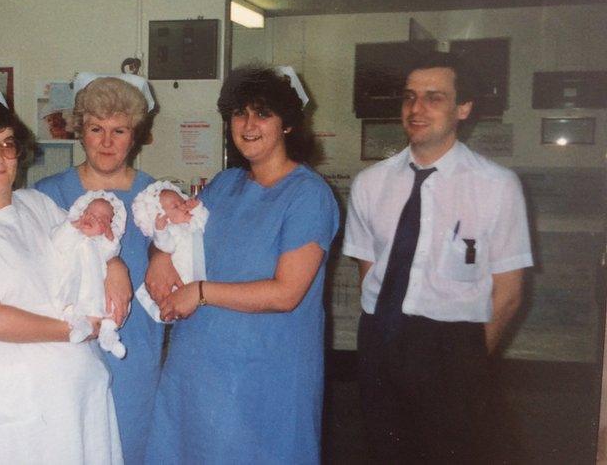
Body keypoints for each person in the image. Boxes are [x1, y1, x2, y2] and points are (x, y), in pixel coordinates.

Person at [144, 65, 340, 464]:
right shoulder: (224, 185)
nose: (249, 125)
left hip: (263, 374)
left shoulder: (308, 196)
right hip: (198, 370)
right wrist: (159, 257)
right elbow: (176, 231)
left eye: (263, 113)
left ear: (287, 124)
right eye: (239, 113)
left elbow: (286, 293)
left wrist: (199, 293)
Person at [344, 51, 533, 463]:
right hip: (382, 338)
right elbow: (369, 272)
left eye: (434, 97)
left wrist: (468, 359)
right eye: (410, 97)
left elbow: (510, 291)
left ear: (463, 108)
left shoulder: (496, 186)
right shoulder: (370, 184)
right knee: (384, 452)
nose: (416, 108)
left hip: (454, 347)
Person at [0, 84, 123, 464]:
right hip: (21, 409)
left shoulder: (36, 203)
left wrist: (116, 267)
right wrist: (74, 330)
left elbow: (87, 245)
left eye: (6, 145)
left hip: (77, 396)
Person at [34, 73, 160, 464]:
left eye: (119, 130)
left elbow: (176, 261)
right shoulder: (47, 194)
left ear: (134, 134)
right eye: (96, 129)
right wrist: (112, 259)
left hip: (134, 355)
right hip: (68, 351)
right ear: (80, 132)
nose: (107, 142)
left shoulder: (154, 194)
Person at [51, 190, 128, 358]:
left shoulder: (101, 244)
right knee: (71, 301)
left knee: (112, 306)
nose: (92, 218)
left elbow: (111, 252)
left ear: (108, 227)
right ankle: (80, 325)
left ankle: (109, 335)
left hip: (98, 288)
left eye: (101, 219)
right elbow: (57, 242)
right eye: (89, 213)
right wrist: (71, 226)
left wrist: (109, 238)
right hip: (76, 281)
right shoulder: (72, 236)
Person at [130, 181, 208, 323]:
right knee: (170, 299)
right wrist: (160, 230)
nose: (183, 206)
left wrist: (197, 208)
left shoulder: (191, 224)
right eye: (176, 206)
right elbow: (165, 246)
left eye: (182, 201)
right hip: (178, 274)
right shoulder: (171, 231)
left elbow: (202, 221)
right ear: (163, 217)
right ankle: (161, 313)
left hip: (195, 275)